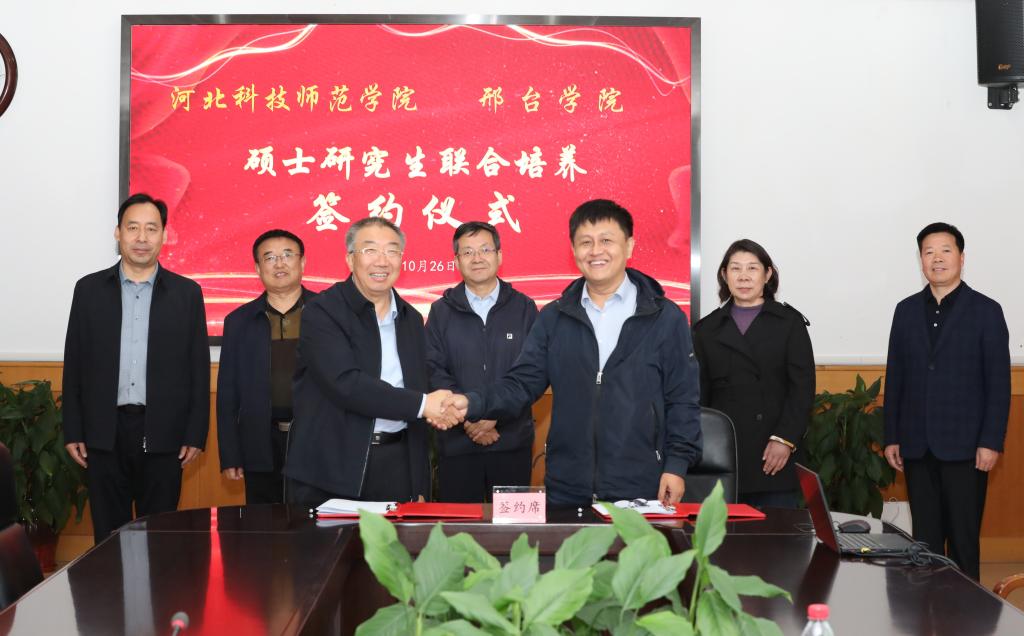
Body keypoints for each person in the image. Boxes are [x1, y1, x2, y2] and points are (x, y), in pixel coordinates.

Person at [441, 199, 702, 506]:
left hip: (641, 485)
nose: (596, 251)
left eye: (606, 240)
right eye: (585, 242)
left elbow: (682, 398)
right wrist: (473, 402)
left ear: (629, 246)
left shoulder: (665, 318)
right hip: (568, 486)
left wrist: (676, 465)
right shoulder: (555, 317)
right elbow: (522, 383)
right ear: (574, 250)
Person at [63, 193, 210, 543]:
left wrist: (195, 433)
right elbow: (75, 362)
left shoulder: (187, 293)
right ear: (118, 233)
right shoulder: (89, 290)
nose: (141, 238)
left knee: (159, 536)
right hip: (103, 431)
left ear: (164, 235)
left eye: (151, 229)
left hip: (164, 432)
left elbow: (198, 368)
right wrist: (73, 428)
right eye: (132, 228)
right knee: (108, 536)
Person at [283, 217, 457, 506]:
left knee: (395, 539)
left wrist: (419, 480)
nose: (382, 261)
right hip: (332, 468)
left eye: (392, 251)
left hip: (396, 466)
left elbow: (418, 385)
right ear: (350, 259)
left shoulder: (411, 319)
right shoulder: (322, 312)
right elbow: (346, 384)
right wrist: (425, 404)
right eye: (370, 250)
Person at [883, 222, 1009, 580]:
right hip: (917, 446)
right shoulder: (905, 310)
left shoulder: (986, 311)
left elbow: (998, 384)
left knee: (964, 542)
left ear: (961, 257)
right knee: (924, 544)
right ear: (921, 260)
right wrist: (892, 435)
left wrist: (990, 441)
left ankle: (968, 611)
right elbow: (896, 377)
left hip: (967, 448)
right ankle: (927, 608)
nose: (937, 258)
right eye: (928, 252)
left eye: (945, 250)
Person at [691, 239, 815, 508]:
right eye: (735, 268)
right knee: (722, 534)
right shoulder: (706, 329)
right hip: (723, 455)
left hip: (774, 455)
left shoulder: (789, 323)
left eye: (752, 268)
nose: (743, 276)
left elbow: (802, 389)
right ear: (724, 275)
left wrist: (785, 440)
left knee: (775, 533)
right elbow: (699, 398)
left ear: (767, 274)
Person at [426, 222, 538, 502]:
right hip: (457, 444)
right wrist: (470, 417)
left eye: (485, 250)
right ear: (457, 261)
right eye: (468, 252)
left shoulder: (525, 308)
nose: (477, 258)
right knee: (459, 526)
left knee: (515, 526)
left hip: (511, 441)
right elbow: (433, 369)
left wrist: (493, 415)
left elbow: (531, 373)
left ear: (499, 256)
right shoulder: (440, 311)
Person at [217, 229, 316, 504]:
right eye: (270, 257)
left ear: (302, 262)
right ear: (257, 268)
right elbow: (227, 394)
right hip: (259, 442)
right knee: (263, 524)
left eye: (287, 255)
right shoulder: (239, 321)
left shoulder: (327, 313)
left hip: (316, 439)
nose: (279, 263)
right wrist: (231, 454)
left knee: (315, 522)